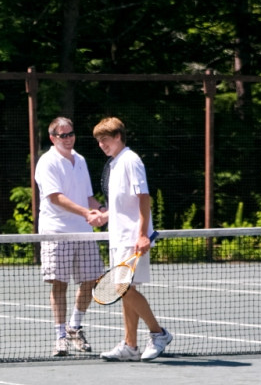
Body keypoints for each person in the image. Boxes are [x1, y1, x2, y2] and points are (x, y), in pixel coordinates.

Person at [88, 117, 172, 362]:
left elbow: (143, 197)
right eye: (98, 141)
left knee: (120, 288)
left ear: (118, 137)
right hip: (118, 238)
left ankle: (159, 334)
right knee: (126, 290)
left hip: (132, 238)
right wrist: (103, 215)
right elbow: (123, 205)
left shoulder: (131, 160)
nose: (101, 144)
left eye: (105, 139)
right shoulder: (115, 164)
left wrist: (143, 234)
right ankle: (130, 345)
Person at [34, 116, 107, 356]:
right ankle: (60, 336)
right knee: (59, 284)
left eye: (71, 134)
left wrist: (104, 210)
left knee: (92, 280)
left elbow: (87, 197)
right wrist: (89, 213)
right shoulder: (47, 162)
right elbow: (56, 197)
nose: (68, 139)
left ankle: (75, 326)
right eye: (62, 135)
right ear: (52, 138)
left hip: (84, 232)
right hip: (56, 231)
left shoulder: (81, 160)